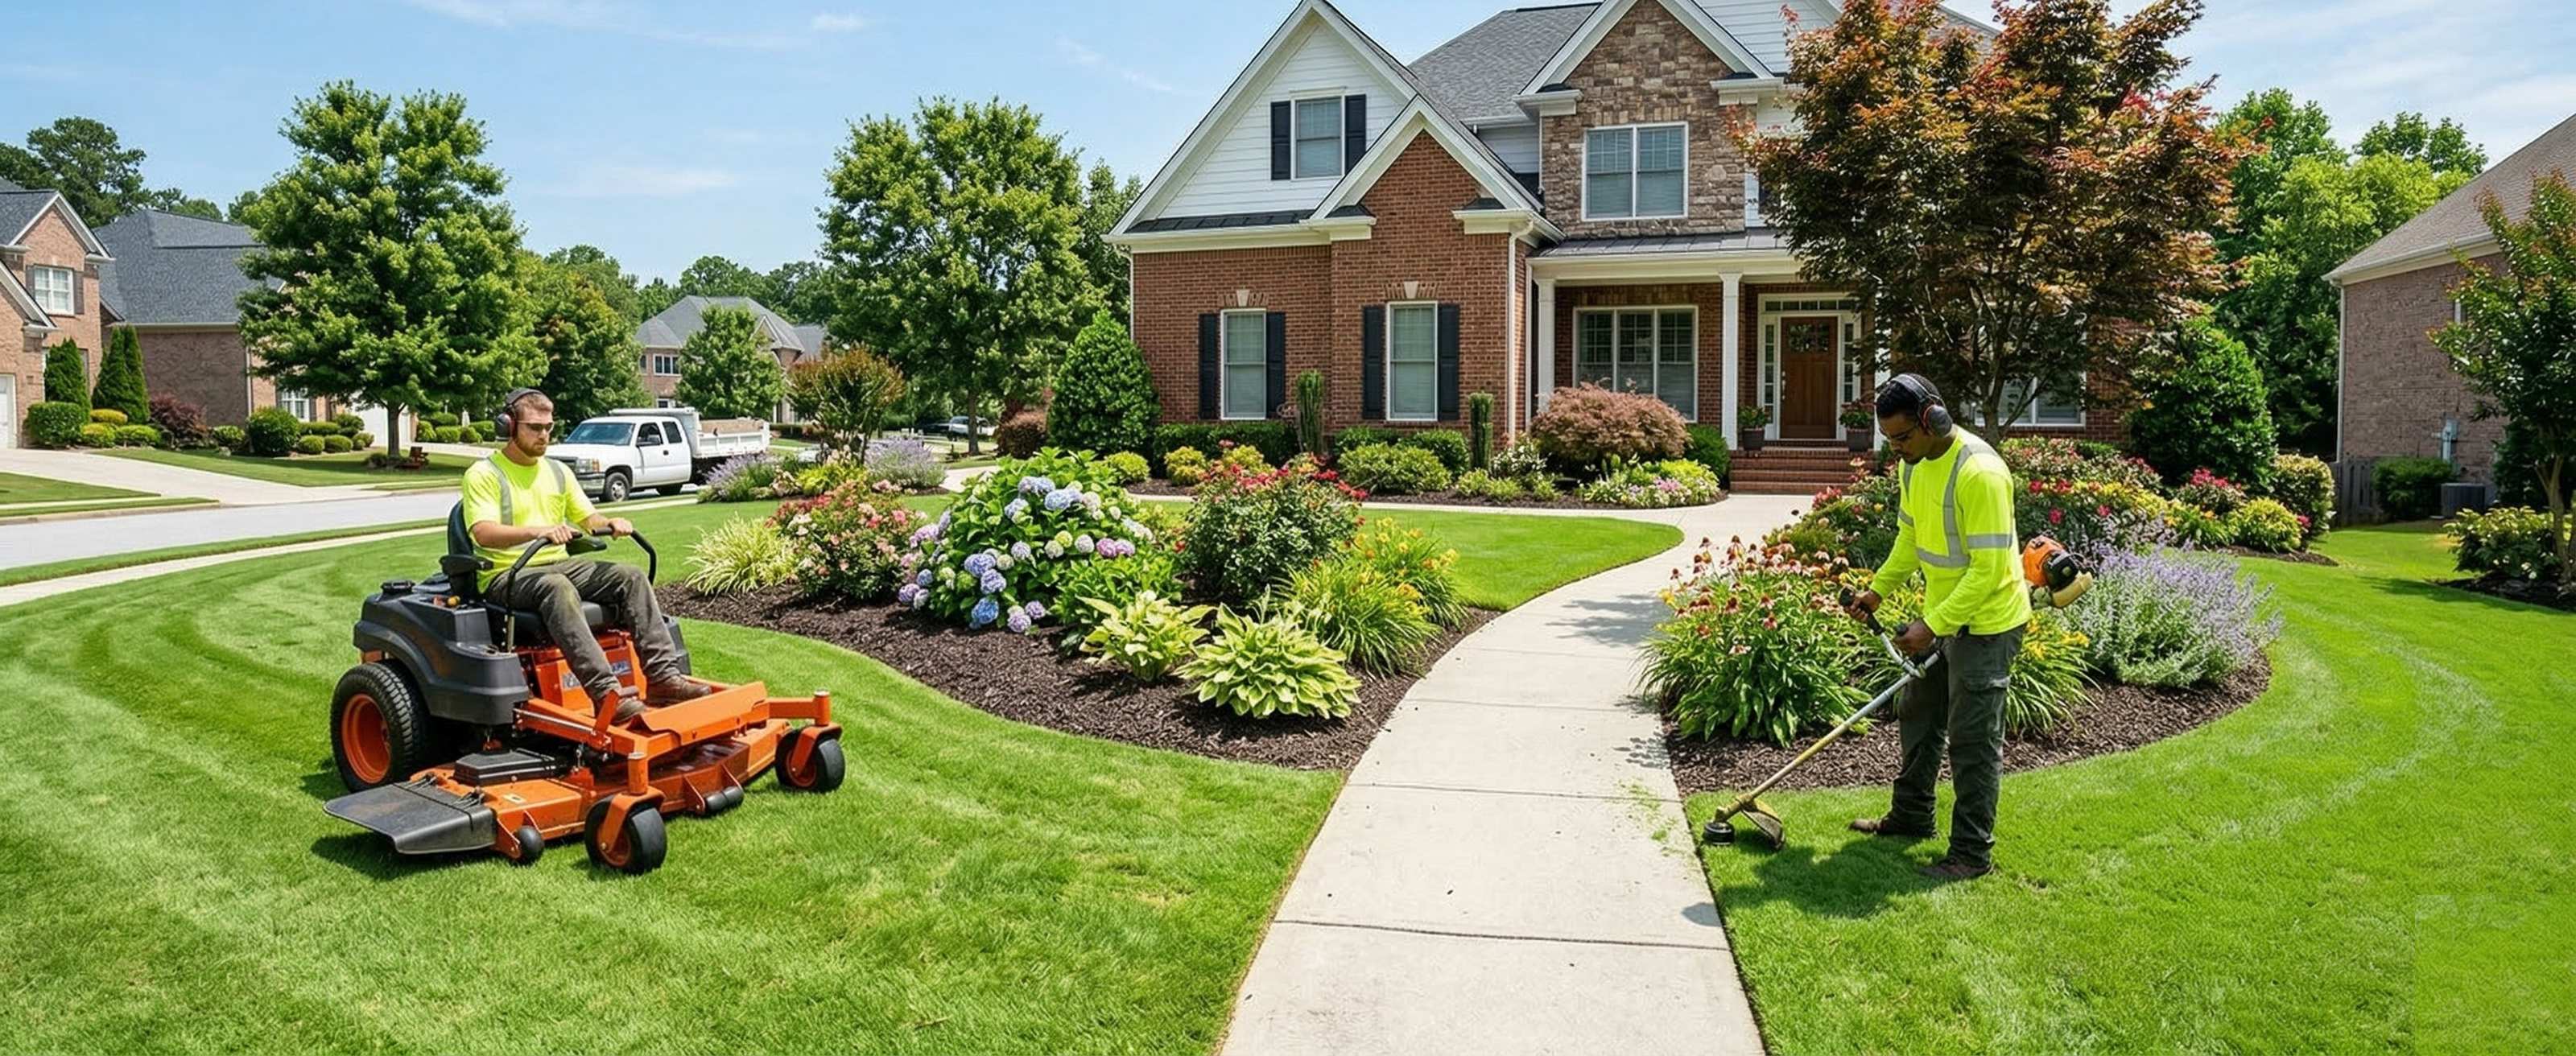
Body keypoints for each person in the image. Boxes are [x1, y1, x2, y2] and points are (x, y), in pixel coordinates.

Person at [1844, 373, 2031, 881]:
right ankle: (1910, 818)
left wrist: (1934, 624)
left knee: (1972, 740)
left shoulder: (1980, 473)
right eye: (1890, 441)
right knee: (1919, 717)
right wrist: (1877, 591)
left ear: (1934, 420)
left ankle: (1971, 854)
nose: (1897, 450)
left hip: (1988, 625)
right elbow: (1910, 539)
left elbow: (1989, 569)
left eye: (1903, 438)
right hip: (1944, 618)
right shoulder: (1915, 468)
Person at [462, 388, 707, 721]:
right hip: (506, 574)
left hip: (558, 565)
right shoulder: (484, 474)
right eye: (535, 428)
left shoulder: (557, 472)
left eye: (548, 427)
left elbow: (588, 519)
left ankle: (664, 679)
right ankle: (608, 696)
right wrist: (540, 531)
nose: (544, 435)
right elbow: (483, 533)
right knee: (557, 587)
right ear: (509, 426)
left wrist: (610, 522)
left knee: (630, 576)